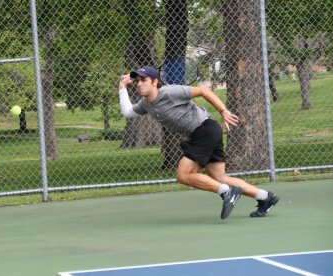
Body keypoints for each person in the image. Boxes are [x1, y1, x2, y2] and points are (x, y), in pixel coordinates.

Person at [118, 65, 279, 219]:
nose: (139, 84)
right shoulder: (146, 104)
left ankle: (226, 192)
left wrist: (223, 111)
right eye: (137, 81)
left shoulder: (169, 92)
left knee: (184, 175)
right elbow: (127, 112)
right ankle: (265, 197)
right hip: (205, 132)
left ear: (155, 82)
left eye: (143, 80)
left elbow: (203, 91)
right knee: (219, 177)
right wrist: (122, 87)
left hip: (204, 130)